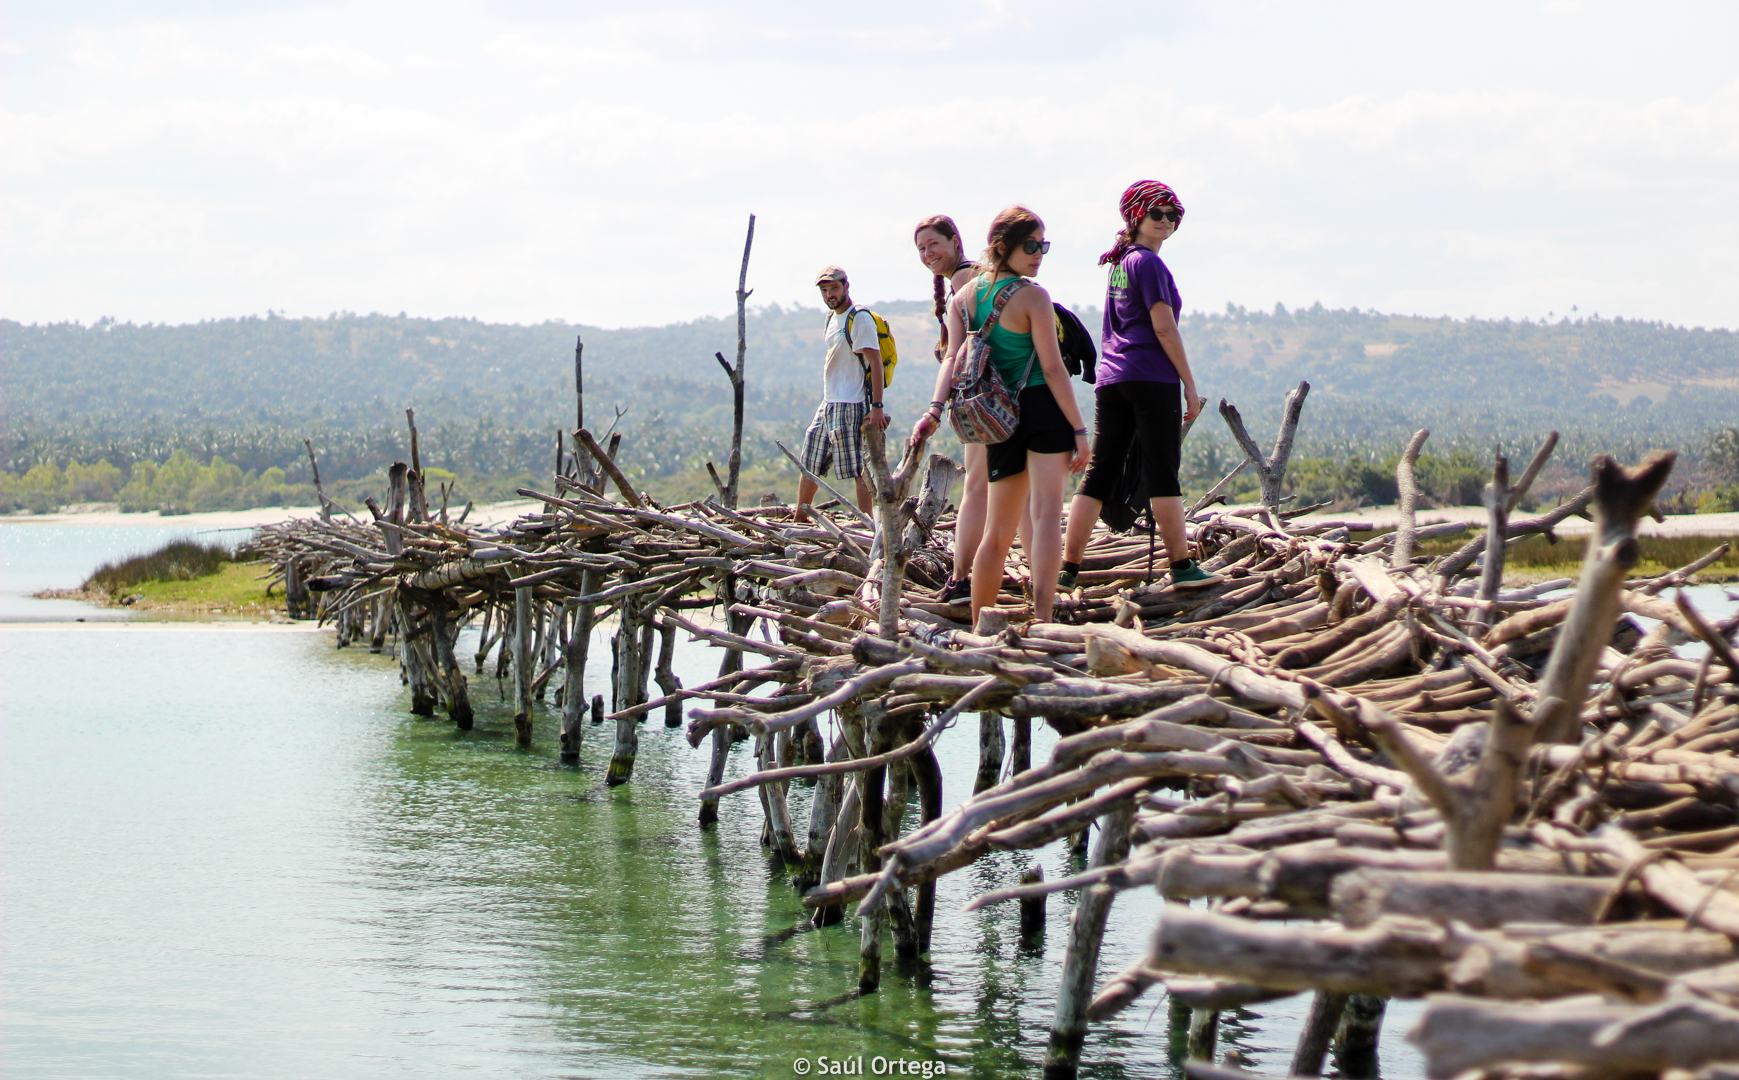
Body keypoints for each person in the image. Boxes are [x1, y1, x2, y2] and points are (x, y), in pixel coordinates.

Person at [1059, 181, 1221, 591]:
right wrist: (1189, 384)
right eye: (1156, 213)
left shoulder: (1121, 263)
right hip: (1151, 376)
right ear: (1136, 216)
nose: (1166, 221)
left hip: (1113, 380)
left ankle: (1067, 569)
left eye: (1173, 214)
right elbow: (1164, 329)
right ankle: (1181, 566)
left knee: (1099, 474)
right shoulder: (1148, 264)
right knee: (1163, 472)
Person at [933, 206, 1089, 625]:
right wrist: (1079, 429)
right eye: (1031, 246)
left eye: (1043, 247)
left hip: (998, 418)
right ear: (1003, 247)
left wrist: (934, 408)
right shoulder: (1034, 297)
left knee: (997, 532)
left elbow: (950, 359)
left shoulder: (963, 299)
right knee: (1046, 517)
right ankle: (1044, 618)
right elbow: (1053, 369)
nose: (1039, 255)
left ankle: (980, 624)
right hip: (1042, 409)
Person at [909, 215, 981, 604]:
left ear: (955, 241)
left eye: (934, 244)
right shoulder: (966, 277)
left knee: (976, 488)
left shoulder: (965, 279)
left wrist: (934, 410)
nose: (928, 254)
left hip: (985, 402)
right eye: (921, 249)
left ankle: (962, 580)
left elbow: (958, 354)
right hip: (999, 401)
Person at [794, 265, 887, 521]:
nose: (829, 295)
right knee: (810, 460)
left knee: (857, 467)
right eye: (824, 290)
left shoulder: (859, 318)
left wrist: (877, 407)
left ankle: (866, 523)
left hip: (852, 402)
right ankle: (799, 520)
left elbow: (876, 363)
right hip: (829, 402)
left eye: (834, 288)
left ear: (846, 286)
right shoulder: (831, 318)